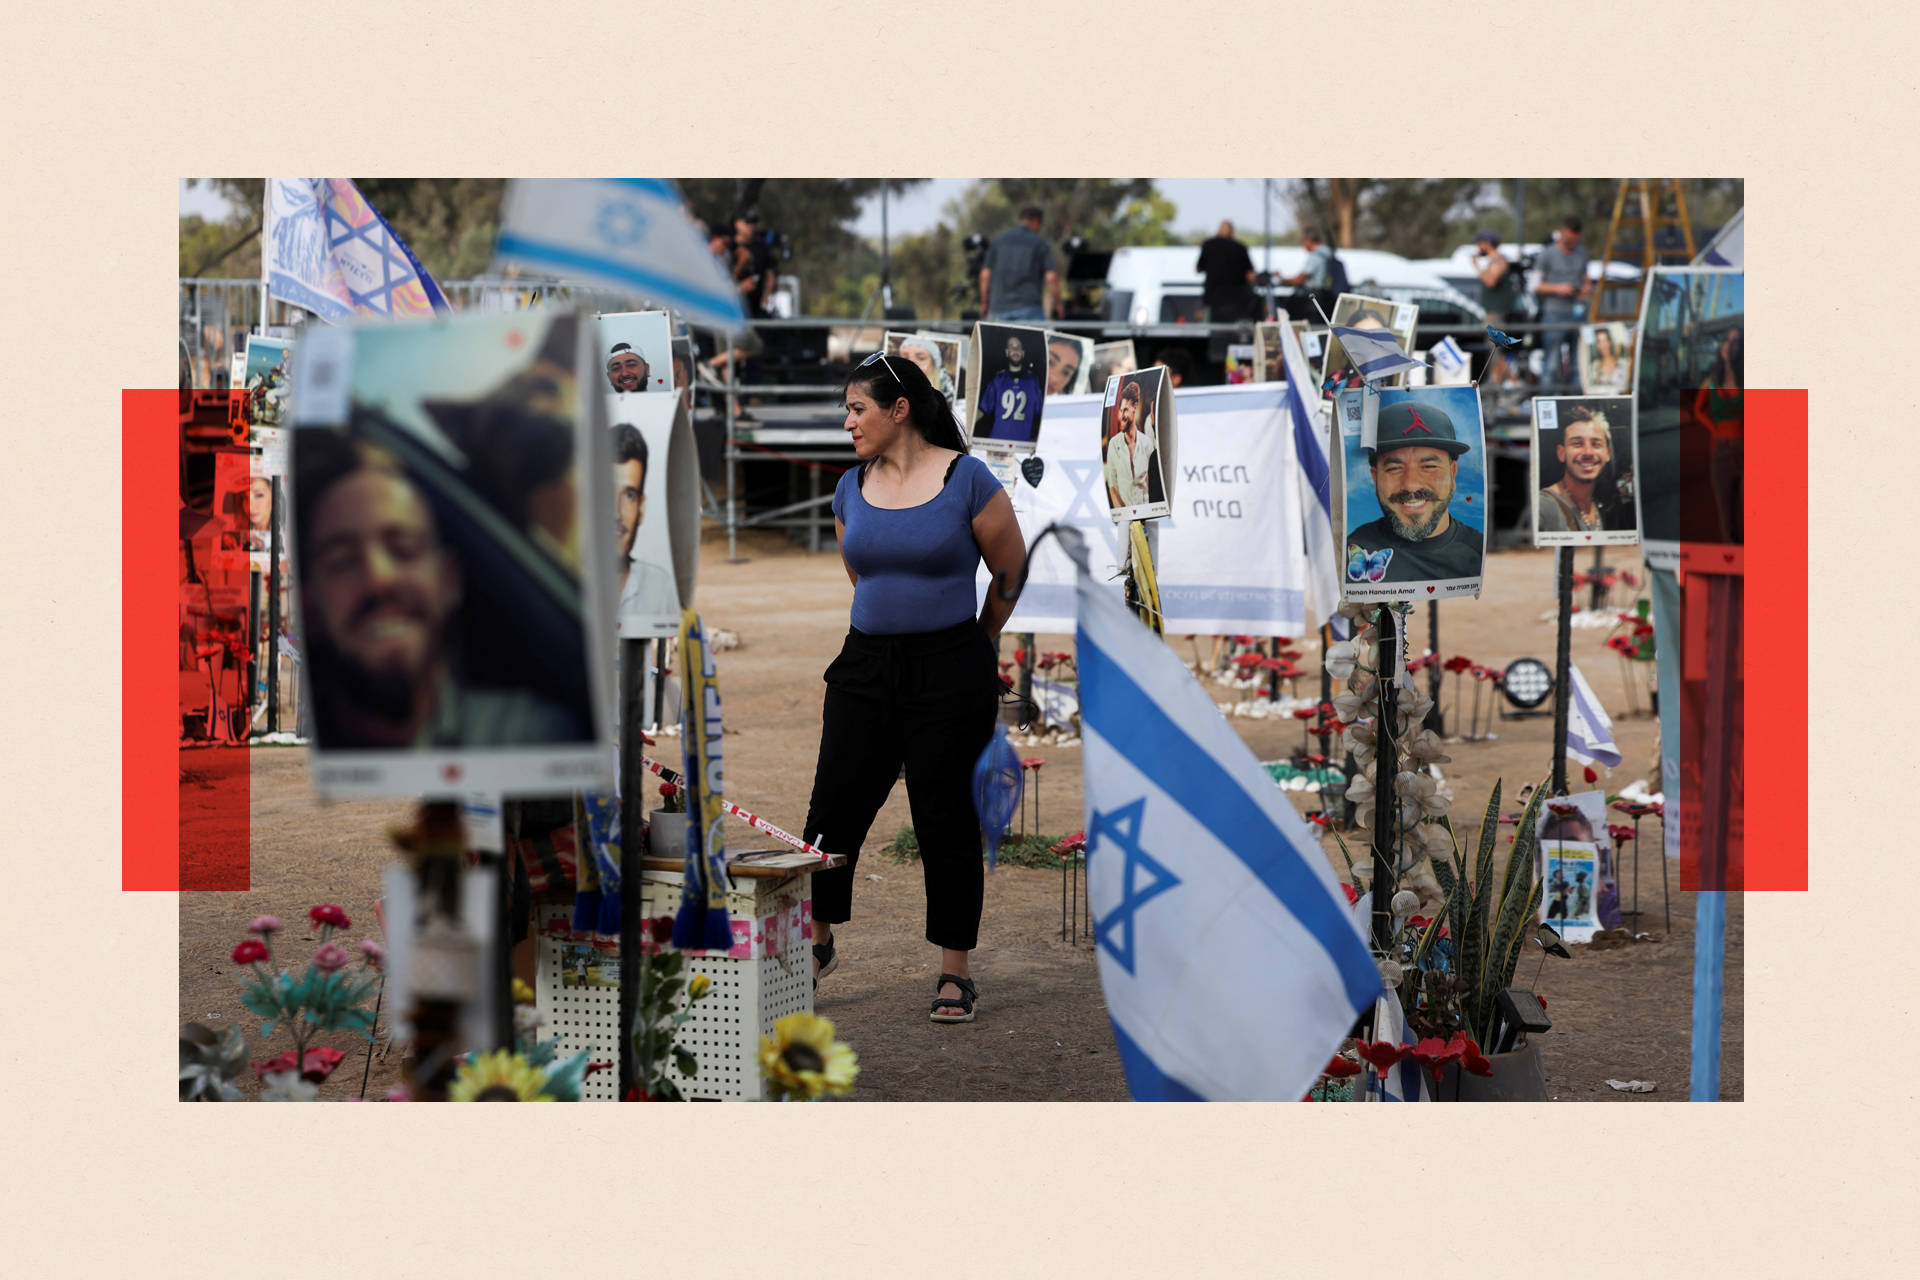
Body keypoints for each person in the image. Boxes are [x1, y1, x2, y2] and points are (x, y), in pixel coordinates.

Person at [802, 351, 1027, 1024]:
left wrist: (976, 640)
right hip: (865, 667)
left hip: (951, 669)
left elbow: (1009, 573)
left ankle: (955, 970)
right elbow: (862, 573)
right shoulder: (850, 487)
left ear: (899, 411)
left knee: (946, 818)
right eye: (846, 410)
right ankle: (816, 944)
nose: (848, 422)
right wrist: (889, 629)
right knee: (832, 811)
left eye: (857, 409)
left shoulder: (968, 481)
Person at [294, 433, 582, 750]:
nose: (379, 578)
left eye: (404, 549)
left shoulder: (537, 738)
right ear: (309, 610)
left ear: (449, 580)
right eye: (343, 561)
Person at [1346, 400, 1483, 582]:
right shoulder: (1346, 554)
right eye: (1395, 468)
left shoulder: (1480, 551)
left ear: (1453, 473)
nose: (1411, 485)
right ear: (1375, 478)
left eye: (1429, 466)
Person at [611, 423, 679, 618]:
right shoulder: (564, 583)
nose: (617, 513)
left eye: (629, 496)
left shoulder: (659, 586)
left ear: (641, 508)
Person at [1539, 406, 1629, 533]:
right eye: (1577, 444)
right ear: (1561, 453)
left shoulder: (1598, 506)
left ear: (1608, 454)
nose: (1588, 452)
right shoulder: (1543, 506)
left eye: (1596, 444)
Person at [1534, 216, 1591, 385]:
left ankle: (1577, 403)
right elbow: (1535, 285)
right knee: (1551, 365)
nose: (1572, 242)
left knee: (1578, 365)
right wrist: (1558, 288)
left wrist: (1585, 290)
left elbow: (1586, 279)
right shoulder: (1547, 254)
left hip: (1577, 314)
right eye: (1569, 238)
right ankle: (1546, 404)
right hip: (1554, 314)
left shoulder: (1582, 254)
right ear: (1562, 232)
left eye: (1575, 239)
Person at [978, 204, 1058, 322]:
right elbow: (1051, 277)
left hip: (999, 308)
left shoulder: (998, 241)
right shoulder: (1040, 243)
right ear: (1036, 221)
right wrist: (1058, 303)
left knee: (998, 341)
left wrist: (984, 303)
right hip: (1029, 308)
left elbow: (985, 275)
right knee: (1032, 341)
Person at [974, 332, 1043, 442]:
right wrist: (965, 429)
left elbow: (1041, 414)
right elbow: (982, 409)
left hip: (1022, 445)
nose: (1015, 350)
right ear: (1007, 352)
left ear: (1023, 352)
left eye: (1018, 347)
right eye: (1011, 347)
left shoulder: (1033, 381)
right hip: (997, 443)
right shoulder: (998, 379)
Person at [1103, 379, 1158, 509]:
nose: (1122, 415)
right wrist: (1122, 515)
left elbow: (1151, 482)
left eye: (1125, 410)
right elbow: (1113, 485)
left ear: (1134, 408)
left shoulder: (1147, 443)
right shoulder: (1114, 443)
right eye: (1120, 410)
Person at [1196, 220, 1258, 323]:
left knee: (1210, 328)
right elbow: (1251, 276)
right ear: (1232, 231)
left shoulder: (1208, 245)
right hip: (1236, 299)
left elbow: (1198, 269)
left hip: (1212, 298)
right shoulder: (1240, 248)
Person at [1277, 227, 1336, 314]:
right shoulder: (1327, 253)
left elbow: (1299, 280)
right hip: (1327, 296)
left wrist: (1281, 279)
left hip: (1316, 296)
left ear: (1308, 240)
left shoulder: (1315, 256)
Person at [732, 210, 776, 319]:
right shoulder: (729, 247)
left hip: (756, 308)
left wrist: (766, 295)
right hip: (734, 306)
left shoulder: (762, 247)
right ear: (737, 224)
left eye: (753, 223)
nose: (751, 226)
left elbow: (770, 274)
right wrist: (740, 288)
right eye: (747, 222)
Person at [1471, 230, 1520, 324]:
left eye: (1480, 244)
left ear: (1487, 244)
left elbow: (1491, 282)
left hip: (1497, 314)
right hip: (1493, 313)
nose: (1478, 247)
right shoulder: (1495, 261)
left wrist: (1477, 266)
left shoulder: (1498, 261)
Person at [898, 333, 957, 403]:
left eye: (921, 358)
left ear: (934, 367)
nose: (911, 364)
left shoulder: (953, 405)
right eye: (905, 358)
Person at [1584, 324, 1628, 391]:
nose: (1604, 346)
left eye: (1605, 340)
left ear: (1610, 342)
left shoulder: (1623, 362)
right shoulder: (1594, 367)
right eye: (1600, 342)